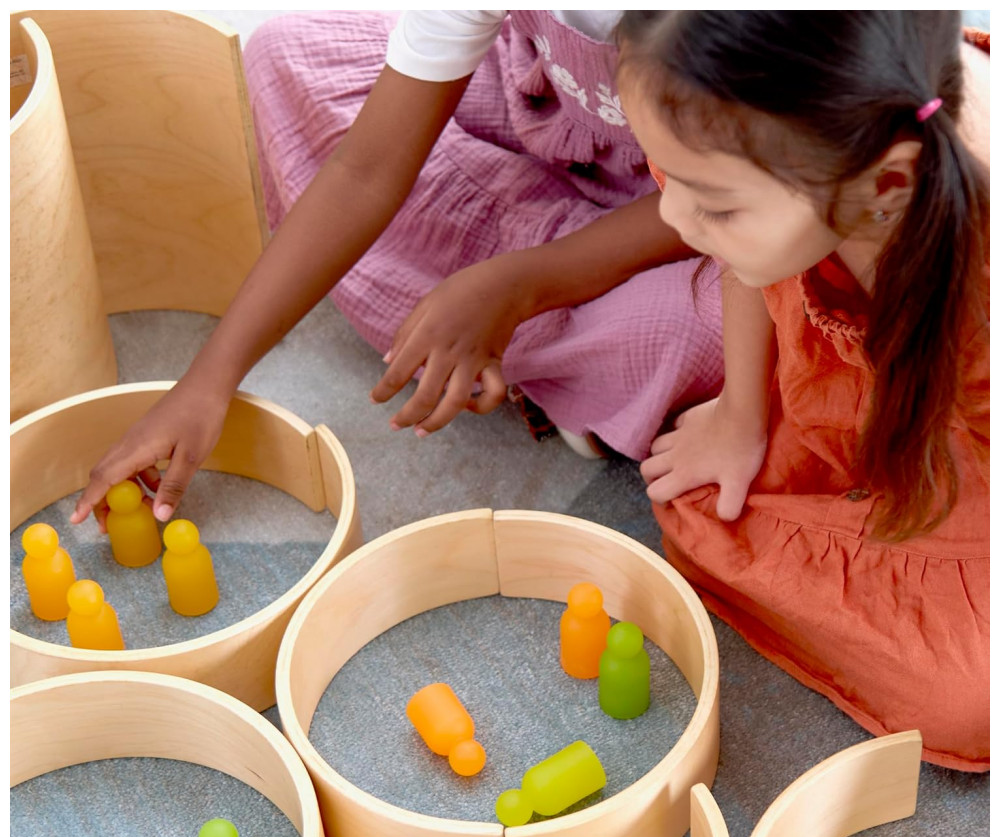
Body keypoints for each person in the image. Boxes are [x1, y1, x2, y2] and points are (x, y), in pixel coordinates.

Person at [71, 10, 740, 528]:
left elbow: (744, 190)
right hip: (540, 104)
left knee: (720, 322)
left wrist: (519, 284)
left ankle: (527, 334)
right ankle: (541, 343)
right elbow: (365, 170)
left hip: (698, 194)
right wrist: (208, 380)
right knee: (286, 56)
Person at [615, 11, 989, 772]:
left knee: (967, 702)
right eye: (673, 180)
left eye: (716, 205)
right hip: (860, 399)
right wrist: (739, 416)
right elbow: (753, 273)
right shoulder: (799, 137)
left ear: (886, 186)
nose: (672, 220)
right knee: (700, 512)